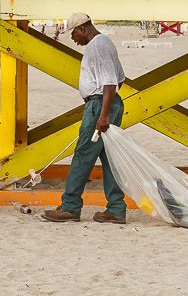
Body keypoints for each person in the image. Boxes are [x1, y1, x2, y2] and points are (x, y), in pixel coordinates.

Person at [42, 13, 127, 225]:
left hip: (100, 104)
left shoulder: (97, 47)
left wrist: (102, 112)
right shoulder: (105, 43)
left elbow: (109, 82)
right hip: (107, 103)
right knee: (110, 159)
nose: (73, 39)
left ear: (82, 29)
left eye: (73, 34)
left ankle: (70, 207)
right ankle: (116, 209)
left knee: (83, 156)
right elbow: (120, 79)